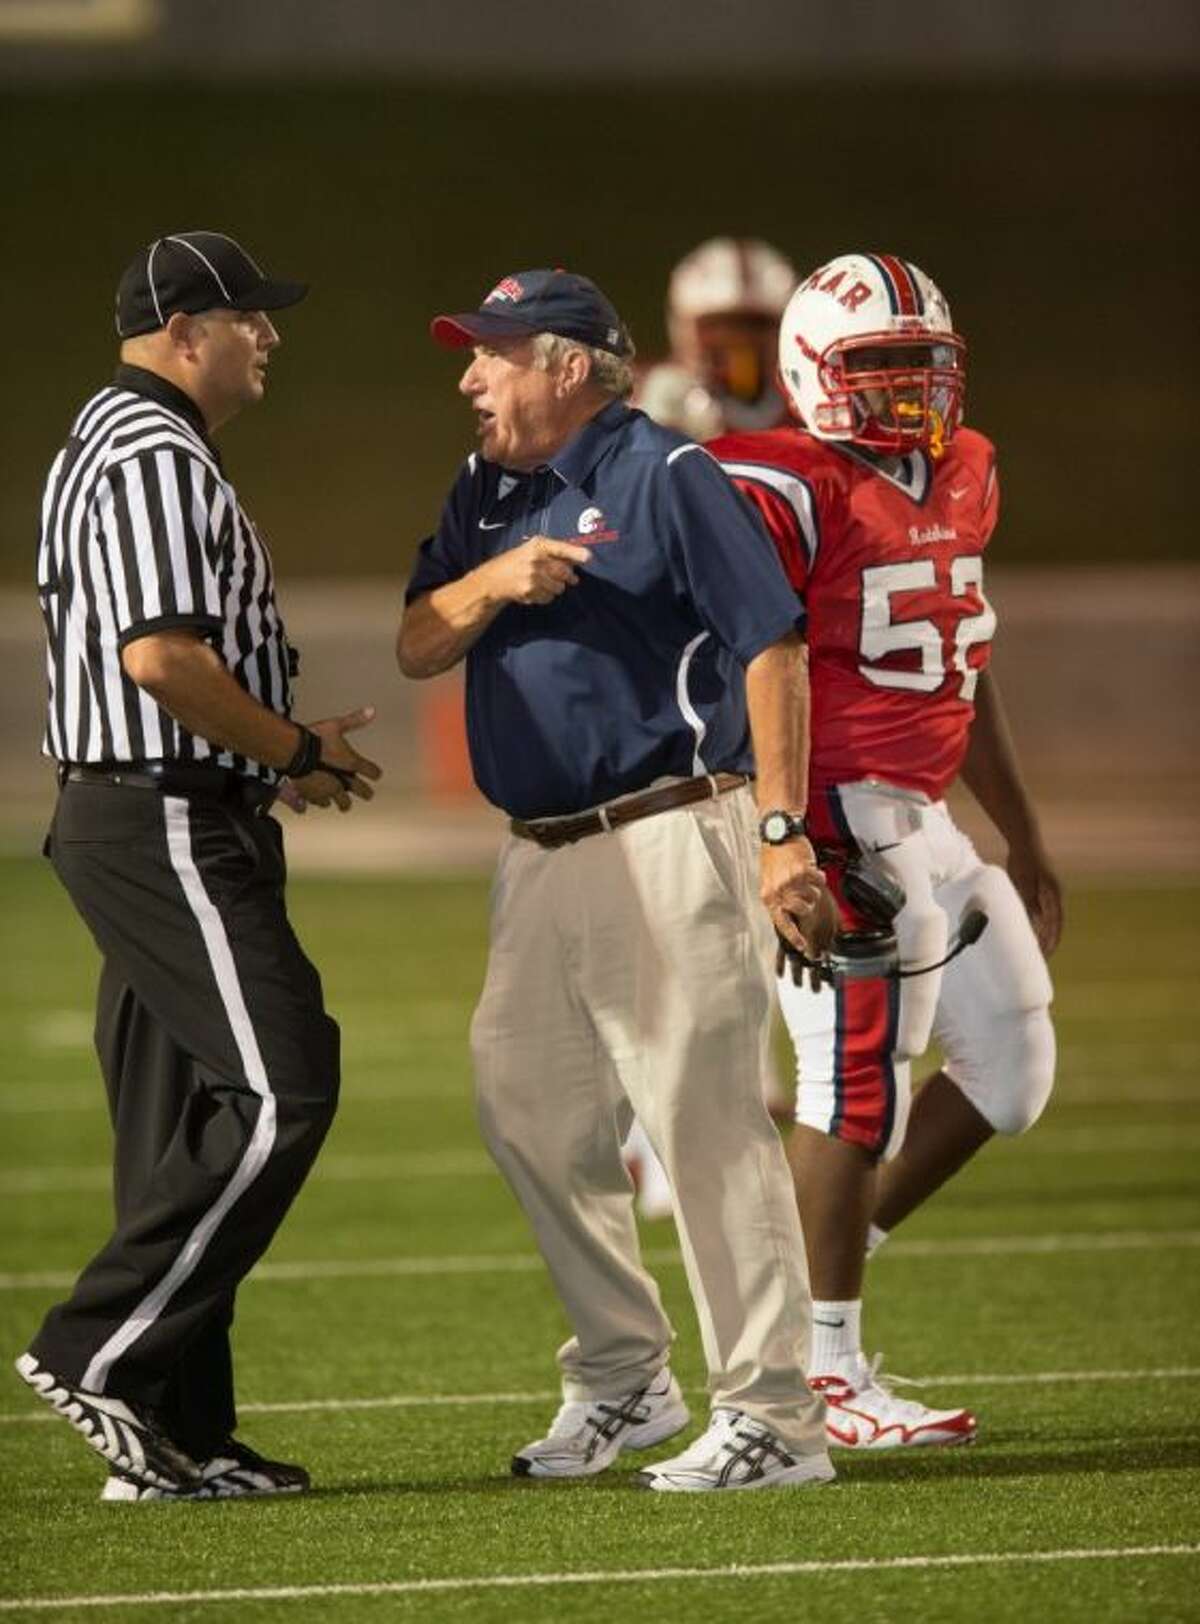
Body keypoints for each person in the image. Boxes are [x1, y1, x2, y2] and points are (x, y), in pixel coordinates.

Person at [397, 266, 836, 1492]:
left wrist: (785, 829)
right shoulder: (487, 491)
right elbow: (418, 640)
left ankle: (776, 1416)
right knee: (528, 1113)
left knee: (702, 1120)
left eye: (492, 353)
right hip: (537, 854)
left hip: (671, 823)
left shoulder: (671, 473)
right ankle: (625, 1375)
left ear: (569, 366)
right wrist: (493, 577)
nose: (469, 375)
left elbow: (772, 647)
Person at [16, 230, 382, 1501]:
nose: (269, 335)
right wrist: (280, 741)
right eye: (251, 317)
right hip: (159, 817)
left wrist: (274, 752)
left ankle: (170, 1432)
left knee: (175, 1119)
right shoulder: (157, 452)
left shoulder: (110, 439)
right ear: (186, 331)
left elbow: (169, 664)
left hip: (151, 804)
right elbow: (160, 659)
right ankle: (101, 1356)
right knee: (284, 1085)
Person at [709, 251, 1062, 1450]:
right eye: (879, 371)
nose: (909, 397)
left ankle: (823, 1259)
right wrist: (787, 832)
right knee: (854, 1090)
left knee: (1014, 1070)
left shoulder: (967, 468)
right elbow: (758, 654)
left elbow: (972, 658)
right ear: (813, 374)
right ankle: (825, 1370)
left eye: (922, 370)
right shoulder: (782, 481)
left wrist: (1024, 828)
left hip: (931, 814)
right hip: (840, 814)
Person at [634, 236, 797, 441]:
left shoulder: (806, 407)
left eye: (755, 326)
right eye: (720, 326)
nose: (740, 340)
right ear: (684, 326)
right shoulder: (646, 396)